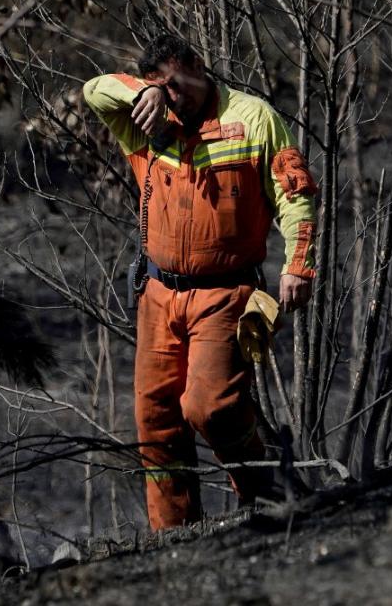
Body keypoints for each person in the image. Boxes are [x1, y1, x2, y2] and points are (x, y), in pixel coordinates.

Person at [83, 34, 318, 530]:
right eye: (158, 87)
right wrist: (142, 93)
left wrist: (298, 264)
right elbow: (94, 90)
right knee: (156, 422)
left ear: (198, 66)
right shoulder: (146, 120)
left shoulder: (252, 118)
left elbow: (294, 193)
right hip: (157, 295)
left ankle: (267, 493)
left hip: (226, 293)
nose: (170, 97)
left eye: (174, 83)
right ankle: (174, 537)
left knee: (210, 407)